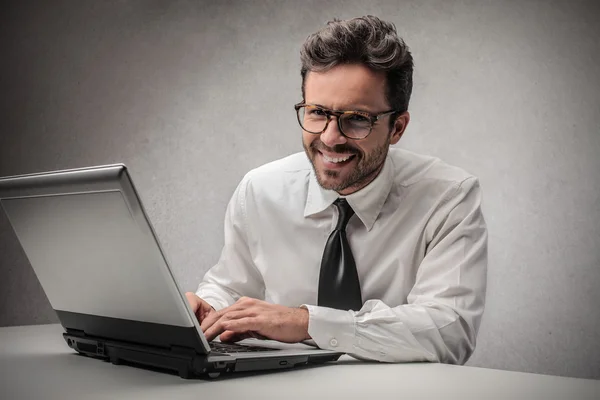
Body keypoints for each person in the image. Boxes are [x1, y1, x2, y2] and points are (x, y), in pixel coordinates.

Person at [186, 15, 487, 364]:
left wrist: (307, 323)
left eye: (357, 118)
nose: (330, 138)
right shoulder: (260, 189)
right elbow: (232, 286)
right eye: (317, 112)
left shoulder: (449, 197)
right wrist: (209, 309)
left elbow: (450, 330)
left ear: (397, 128)